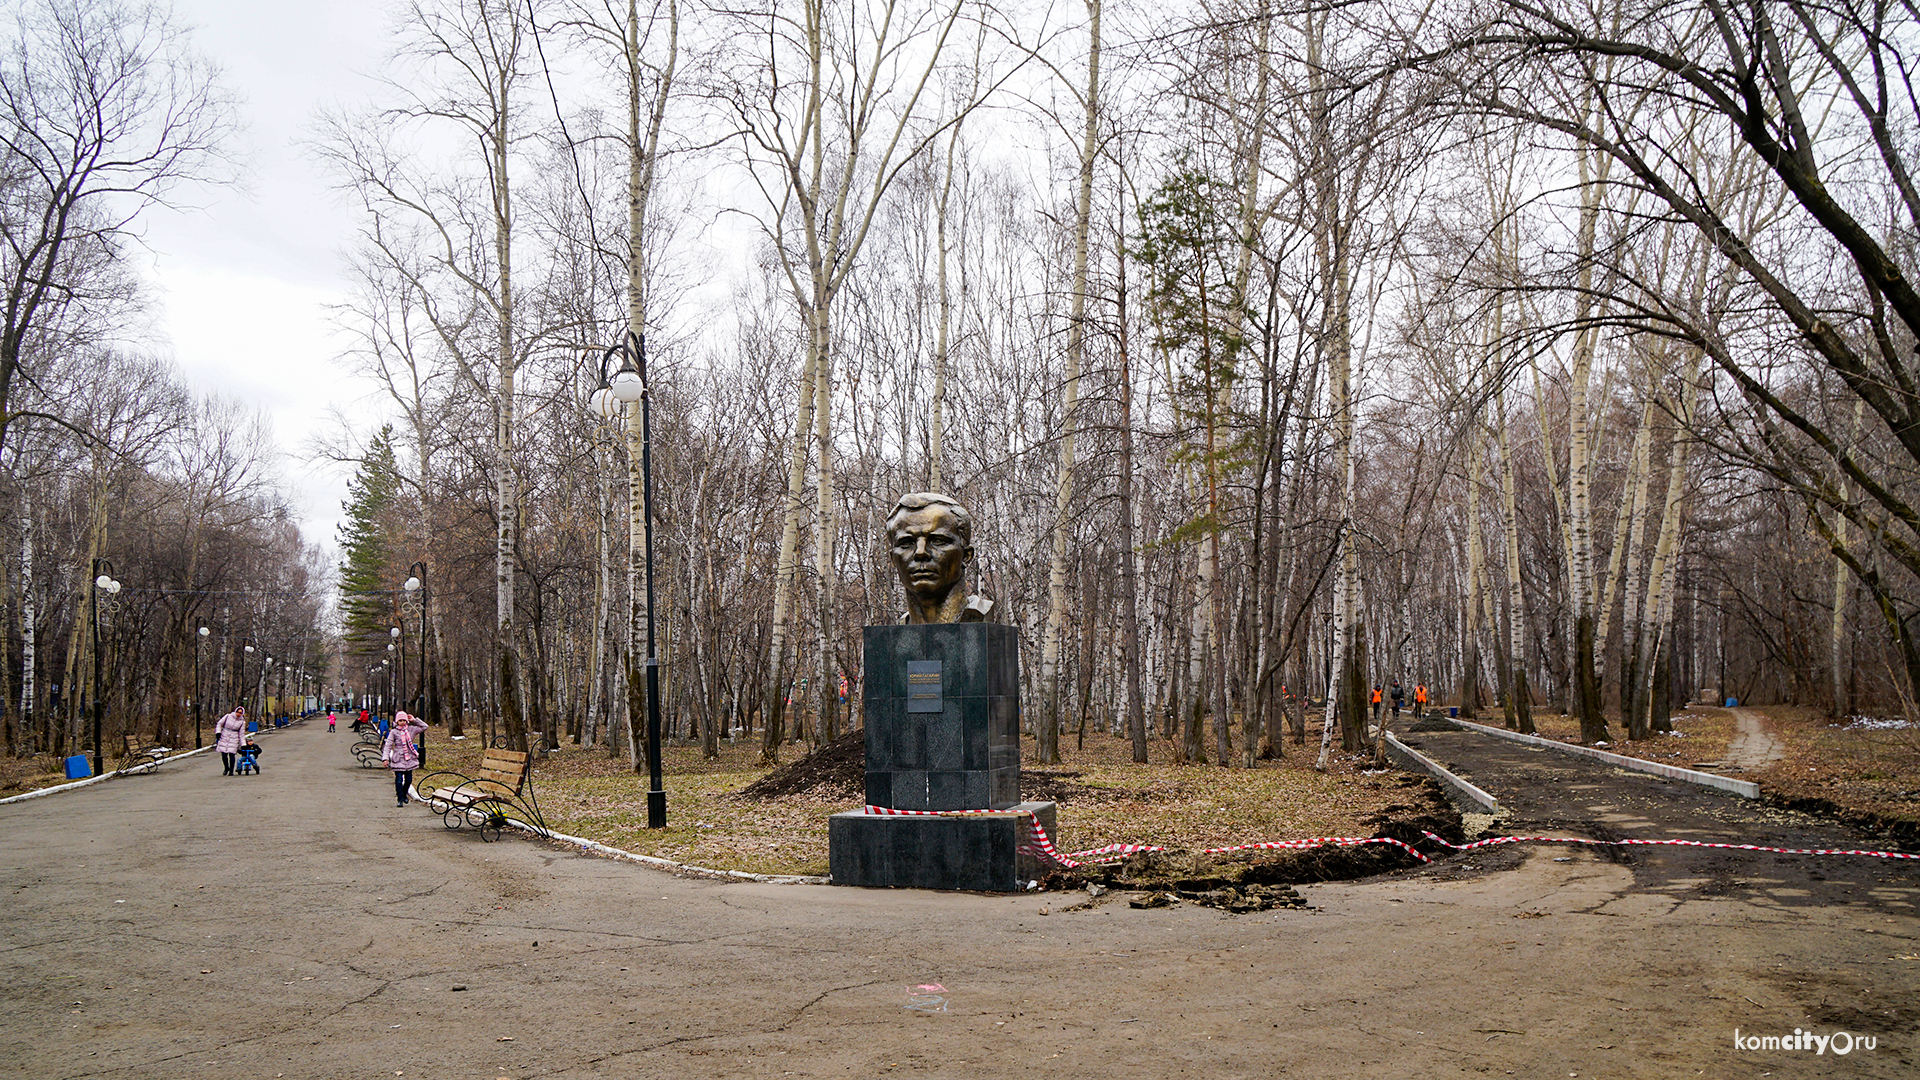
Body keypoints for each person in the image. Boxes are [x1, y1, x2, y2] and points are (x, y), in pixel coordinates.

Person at [885, 492, 995, 624]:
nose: (920, 553)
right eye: (906, 543)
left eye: (938, 541)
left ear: (966, 555)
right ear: (893, 559)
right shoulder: (898, 633)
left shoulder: (977, 620)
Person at [381, 710, 428, 807]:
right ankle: (400, 799)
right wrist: (385, 758)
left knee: (408, 780)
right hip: (398, 759)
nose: (402, 722)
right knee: (398, 780)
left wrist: (414, 720)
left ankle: (404, 793)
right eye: (400, 720)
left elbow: (424, 727)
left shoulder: (411, 730)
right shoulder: (394, 732)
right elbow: (388, 745)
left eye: (404, 720)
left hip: (409, 759)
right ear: (397, 722)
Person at [213, 706, 247, 776]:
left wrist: (243, 744)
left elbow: (241, 734)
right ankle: (226, 768)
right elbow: (219, 724)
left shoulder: (242, 722)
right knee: (224, 754)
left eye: (240, 713)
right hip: (224, 735)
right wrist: (218, 732)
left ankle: (231, 770)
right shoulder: (228, 716)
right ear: (235, 711)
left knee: (232, 754)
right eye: (237, 712)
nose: (238, 714)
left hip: (234, 737)